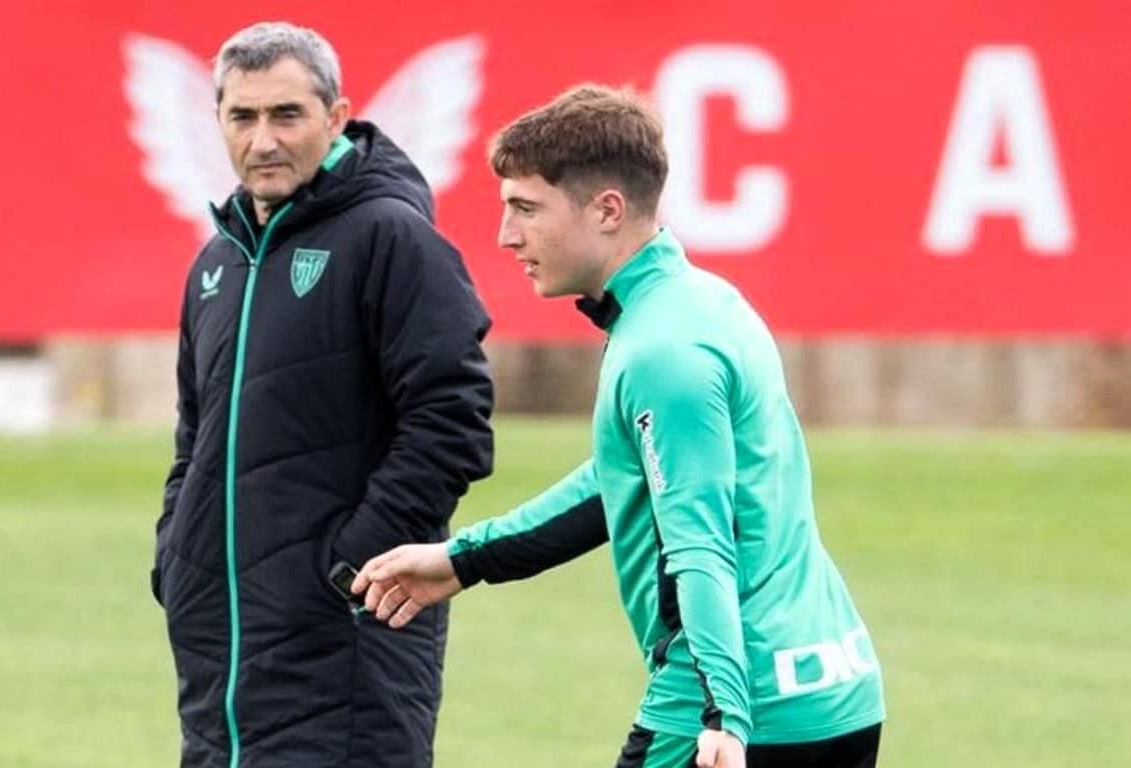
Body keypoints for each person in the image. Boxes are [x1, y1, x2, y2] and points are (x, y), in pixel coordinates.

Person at [352, 84, 885, 768]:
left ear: (607, 210)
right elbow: (621, 483)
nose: (506, 234)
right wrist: (464, 560)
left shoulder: (661, 350)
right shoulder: (703, 303)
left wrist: (723, 714)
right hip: (832, 687)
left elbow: (698, 543)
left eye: (525, 208)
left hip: (733, 715)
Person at [152, 21, 494, 768]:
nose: (263, 140)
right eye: (242, 117)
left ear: (336, 117)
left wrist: (348, 568)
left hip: (345, 650)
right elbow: (193, 435)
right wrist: (175, 556)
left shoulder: (392, 238)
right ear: (218, 123)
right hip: (223, 659)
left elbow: (453, 421)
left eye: (287, 115)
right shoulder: (217, 263)